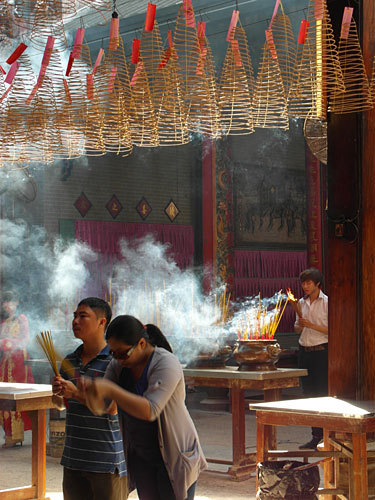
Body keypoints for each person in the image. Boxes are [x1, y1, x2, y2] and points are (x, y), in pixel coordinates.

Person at [80, 315, 207, 500]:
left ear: (140, 343)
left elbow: (151, 410)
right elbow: (104, 407)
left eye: (122, 353)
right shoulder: (118, 365)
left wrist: (110, 390)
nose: (117, 359)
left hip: (174, 452)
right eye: (113, 353)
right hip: (142, 454)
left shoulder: (165, 362)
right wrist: (83, 392)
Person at [52, 297, 127, 500]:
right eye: (75, 316)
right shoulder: (70, 360)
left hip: (105, 460)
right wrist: (58, 393)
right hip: (73, 458)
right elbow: (60, 405)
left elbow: (111, 408)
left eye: (83, 316)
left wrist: (75, 392)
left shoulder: (115, 362)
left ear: (102, 322)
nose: (75, 321)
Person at [294, 267, 328, 450]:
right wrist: (300, 325)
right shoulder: (300, 303)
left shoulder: (328, 303)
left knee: (323, 393)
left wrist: (312, 325)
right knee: (309, 395)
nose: (305, 286)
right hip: (305, 352)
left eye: (308, 283)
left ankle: (326, 435)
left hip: (322, 352)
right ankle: (315, 436)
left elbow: (333, 330)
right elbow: (297, 329)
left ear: (318, 284)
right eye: (303, 283)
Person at [0, 290, 34, 448]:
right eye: (5, 302)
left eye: (10, 302)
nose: (7, 305)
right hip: (6, 361)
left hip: (19, 361)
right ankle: (9, 435)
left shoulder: (21, 319)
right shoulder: (5, 322)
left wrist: (6, 342)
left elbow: (25, 340)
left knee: (15, 398)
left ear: (17, 303)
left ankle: (15, 436)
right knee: (4, 397)